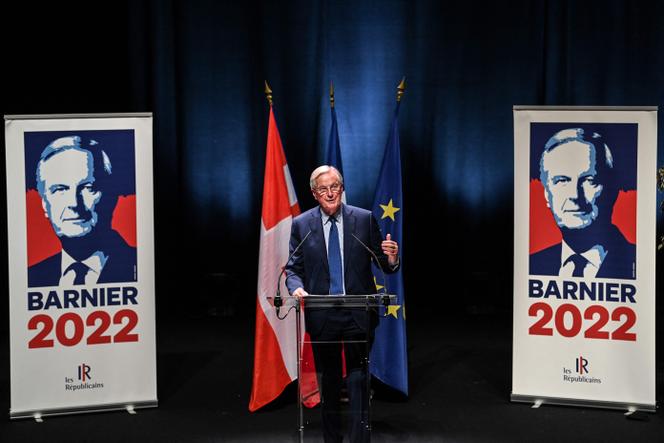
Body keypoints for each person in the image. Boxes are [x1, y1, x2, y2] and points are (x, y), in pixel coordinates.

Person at [285, 165, 399, 443]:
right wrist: (297, 288)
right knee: (332, 379)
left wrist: (392, 258)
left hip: (358, 312)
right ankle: (332, 439)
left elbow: (382, 263)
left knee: (359, 379)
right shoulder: (302, 224)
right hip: (323, 314)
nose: (330, 193)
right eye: (323, 189)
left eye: (334, 186)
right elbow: (293, 267)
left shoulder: (363, 219)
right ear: (314, 194)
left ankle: (360, 439)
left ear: (342, 188)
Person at [28, 135, 137, 287]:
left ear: (111, 197)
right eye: (60, 189)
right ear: (45, 205)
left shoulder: (140, 266)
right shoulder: (32, 278)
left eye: (88, 188)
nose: (73, 202)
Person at [530, 127, 635, 279]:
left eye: (589, 180)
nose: (574, 194)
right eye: (562, 181)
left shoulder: (639, 264)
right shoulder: (533, 265)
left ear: (612, 190)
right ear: (547, 195)